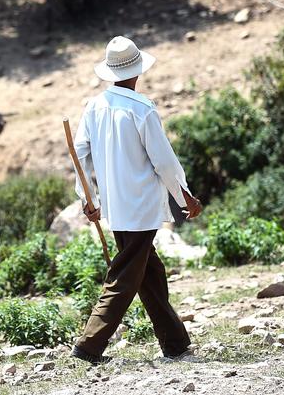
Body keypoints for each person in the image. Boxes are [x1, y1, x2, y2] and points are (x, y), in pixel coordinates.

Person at [71, 36, 202, 365]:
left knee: (150, 273)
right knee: (125, 277)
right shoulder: (142, 109)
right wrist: (184, 196)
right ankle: (88, 346)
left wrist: (89, 197)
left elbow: (80, 155)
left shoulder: (94, 106)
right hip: (141, 207)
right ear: (137, 71)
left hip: (116, 207)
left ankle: (175, 342)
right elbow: (165, 162)